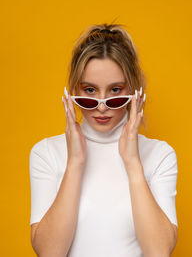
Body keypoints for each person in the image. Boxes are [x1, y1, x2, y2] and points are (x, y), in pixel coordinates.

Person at [29, 23, 178, 257]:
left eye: (115, 90)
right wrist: (75, 162)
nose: (101, 106)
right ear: (74, 91)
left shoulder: (160, 155)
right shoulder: (46, 153)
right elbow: (49, 253)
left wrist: (133, 163)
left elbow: (159, 252)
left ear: (134, 91)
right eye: (90, 90)